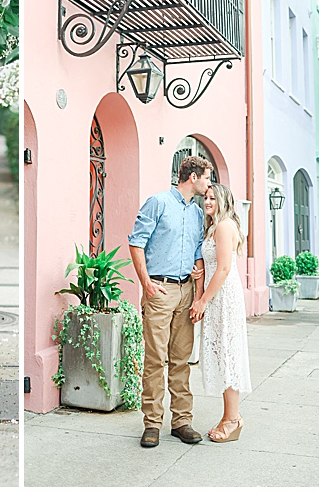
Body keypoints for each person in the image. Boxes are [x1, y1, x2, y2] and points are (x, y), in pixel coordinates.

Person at [128, 155, 212, 448]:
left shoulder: (198, 212)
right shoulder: (158, 202)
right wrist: (146, 283)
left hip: (186, 291)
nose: (208, 184)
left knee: (181, 361)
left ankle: (181, 422)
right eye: (206, 178)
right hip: (160, 292)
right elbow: (136, 242)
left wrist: (199, 292)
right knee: (155, 360)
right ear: (193, 177)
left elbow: (198, 252)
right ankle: (151, 424)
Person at [190, 183, 252, 442]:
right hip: (214, 296)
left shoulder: (225, 226)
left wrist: (203, 300)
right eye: (206, 197)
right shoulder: (213, 227)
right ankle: (228, 416)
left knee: (228, 355)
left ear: (224, 201)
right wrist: (198, 278)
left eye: (213, 198)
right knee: (222, 354)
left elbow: (224, 269)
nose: (207, 201)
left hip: (223, 297)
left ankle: (233, 419)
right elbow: (210, 263)